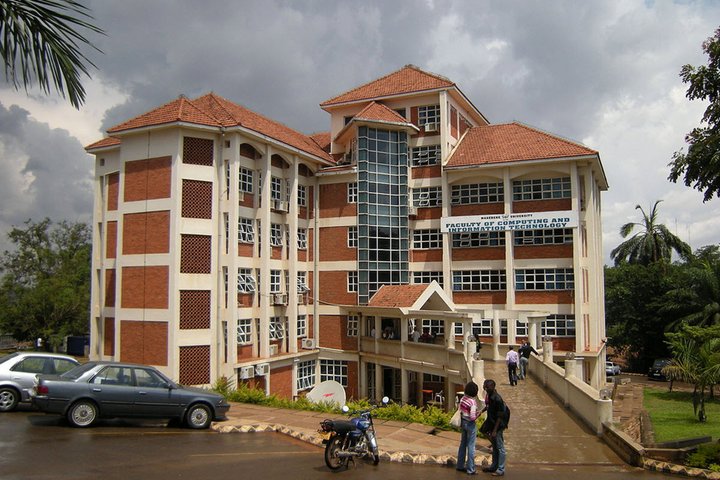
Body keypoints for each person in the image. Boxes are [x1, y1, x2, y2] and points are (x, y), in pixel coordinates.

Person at [481, 379, 507, 476]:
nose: (486, 388)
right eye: (485, 386)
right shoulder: (489, 396)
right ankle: (494, 466)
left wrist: (495, 430)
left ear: (493, 387)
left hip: (498, 425)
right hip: (492, 423)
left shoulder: (497, 398)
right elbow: (488, 406)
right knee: (495, 446)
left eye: (488, 387)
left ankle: (500, 469)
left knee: (500, 447)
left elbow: (500, 417)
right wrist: (481, 411)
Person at [456, 381, 481, 475]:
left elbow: (461, 410)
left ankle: (460, 465)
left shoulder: (463, 399)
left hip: (463, 422)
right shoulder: (472, 402)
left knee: (463, 444)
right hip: (470, 424)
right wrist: (478, 414)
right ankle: (471, 469)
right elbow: (472, 417)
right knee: (471, 446)